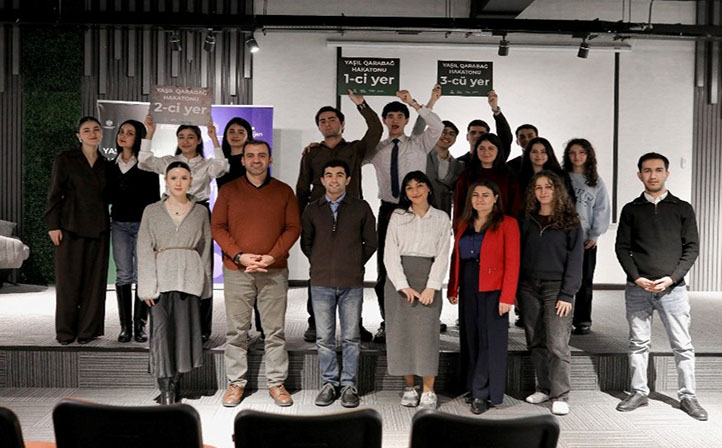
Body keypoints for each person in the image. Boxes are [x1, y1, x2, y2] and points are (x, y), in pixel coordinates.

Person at [615, 153, 707, 421]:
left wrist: (672, 278)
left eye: (658, 170)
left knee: (682, 344)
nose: (652, 175)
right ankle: (638, 392)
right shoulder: (631, 209)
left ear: (667, 173)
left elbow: (692, 248)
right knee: (638, 343)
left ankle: (688, 396)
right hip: (638, 289)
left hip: (673, 289)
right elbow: (622, 248)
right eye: (647, 170)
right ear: (639, 175)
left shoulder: (682, 208)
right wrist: (636, 277)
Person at [211, 139, 301, 408]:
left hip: (274, 271)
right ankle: (236, 383)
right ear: (243, 160)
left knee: (275, 331)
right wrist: (239, 255)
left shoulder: (284, 191)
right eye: (250, 155)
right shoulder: (229, 190)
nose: (256, 160)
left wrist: (272, 256)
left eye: (262, 155)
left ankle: (276, 383)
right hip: (237, 270)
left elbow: (293, 227)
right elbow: (217, 227)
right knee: (236, 331)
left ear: (270, 159)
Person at [297, 90, 382, 343]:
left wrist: (362, 105)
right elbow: (302, 188)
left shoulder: (356, 149)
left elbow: (376, 129)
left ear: (342, 124)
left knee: (353, 274)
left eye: (332, 119)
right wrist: (300, 220)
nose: (327, 124)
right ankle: (315, 323)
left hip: (351, 216)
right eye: (322, 121)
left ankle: (355, 324)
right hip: (319, 217)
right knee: (318, 271)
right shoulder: (312, 154)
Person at [364, 86, 444, 343]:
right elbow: (350, 158)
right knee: (385, 269)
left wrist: (415, 103)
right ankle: (388, 323)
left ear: (407, 120)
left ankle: (422, 318)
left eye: (400, 116)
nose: (395, 120)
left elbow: (438, 126)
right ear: (384, 121)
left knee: (420, 265)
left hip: (417, 209)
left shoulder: (419, 143)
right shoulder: (377, 149)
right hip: (389, 210)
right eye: (390, 117)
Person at [140, 115, 229, 343]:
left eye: (191, 137)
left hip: (198, 211)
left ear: (198, 140)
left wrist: (214, 138)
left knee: (203, 268)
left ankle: (203, 327)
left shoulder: (206, 163)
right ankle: (169, 323)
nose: (186, 140)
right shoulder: (170, 161)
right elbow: (144, 161)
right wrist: (149, 132)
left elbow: (222, 167)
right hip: (171, 212)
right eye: (181, 136)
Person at [301, 159, 377, 408]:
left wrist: (354, 263)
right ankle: (329, 382)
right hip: (321, 282)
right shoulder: (312, 209)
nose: (334, 179)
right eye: (329, 175)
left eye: (339, 175)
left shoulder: (361, 207)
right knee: (324, 337)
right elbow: (306, 243)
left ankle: (348, 385)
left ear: (348, 179)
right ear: (322, 180)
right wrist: (321, 262)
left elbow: (371, 242)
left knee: (351, 337)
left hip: (351, 283)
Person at [137, 161, 211, 405]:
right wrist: (147, 287)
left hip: (190, 277)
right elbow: (144, 248)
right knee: (161, 334)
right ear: (166, 181)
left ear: (191, 181)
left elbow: (205, 248)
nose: (179, 182)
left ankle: (175, 384)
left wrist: (205, 284)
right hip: (160, 278)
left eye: (184, 178)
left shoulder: (200, 211)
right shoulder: (151, 210)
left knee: (184, 334)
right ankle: (165, 388)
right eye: (173, 178)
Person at [447, 180, 520, 414]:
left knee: (490, 340)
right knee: (470, 336)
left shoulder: (508, 223)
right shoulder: (463, 223)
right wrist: (453, 287)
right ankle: (472, 385)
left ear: (496, 198)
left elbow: (513, 262)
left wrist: (507, 296)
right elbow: (456, 257)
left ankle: (483, 392)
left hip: (494, 287)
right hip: (469, 283)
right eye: (475, 195)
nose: (480, 199)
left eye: (486, 195)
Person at [383, 171, 451, 410]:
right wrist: (402, 285)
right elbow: (390, 251)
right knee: (401, 333)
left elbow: (443, 254)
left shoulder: (441, 217)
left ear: (429, 188)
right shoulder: (398, 216)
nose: (415, 191)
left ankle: (429, 390)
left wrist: (432, 286)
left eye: (419, 185)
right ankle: (409, 386)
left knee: (426, 335)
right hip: (399, 280)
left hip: (428, 278)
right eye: (409, 187)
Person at [518, 171, 583, 416]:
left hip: (557, 288)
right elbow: (518, 255)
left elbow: (576, 260)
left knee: (557, 344)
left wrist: (567, 294)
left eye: (548, 187)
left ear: (557, 190)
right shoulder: (528, 219)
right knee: (536, 341)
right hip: (528, 287)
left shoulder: (570, 221)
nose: (543, 191)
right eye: (538, 187)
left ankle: (561, 394)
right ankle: (544, 388)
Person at [45, 116, 110, 345]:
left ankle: (87, 331)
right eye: (86, 130)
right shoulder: (66, 159)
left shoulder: (105, 164)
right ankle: (65, 332)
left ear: (101, 133)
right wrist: (53, 225)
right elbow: (54, 193)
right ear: (79, 136)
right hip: (69, 227)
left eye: (96, 129)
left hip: (99, 229)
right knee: (68, 282)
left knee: (94, 283)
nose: (92, 133)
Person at [107, 119, 160, 343]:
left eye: (129, 133)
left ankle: (140, 326)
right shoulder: (110, 166)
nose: (123, 135)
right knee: (123, 275)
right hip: (119, 224)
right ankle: (125, 327)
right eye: (121, 131)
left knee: (141, 274)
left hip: (142, 226)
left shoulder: (147, 165)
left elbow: (154, 199)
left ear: (138, 137)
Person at [562, 138, 610, 335]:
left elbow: (601, 209)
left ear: (589, 155)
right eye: (572, 153)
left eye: (582, 152)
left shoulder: (595, 181)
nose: (577, 157)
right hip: (562, 238)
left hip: (585, 239)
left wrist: (595, 234)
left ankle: (582, 320)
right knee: (562, 280)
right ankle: (561, 319)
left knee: (585, 280)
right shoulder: (562, 177)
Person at [453, 133, 521, 227]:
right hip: (472, 228)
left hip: (501, 227)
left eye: (491, 148)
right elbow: (459, 206)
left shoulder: (508, 175)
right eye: (482, 148)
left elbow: (515, 206)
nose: (486, 152)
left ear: (498, 150)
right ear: (476, 150)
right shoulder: (466, 175)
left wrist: (510, 228)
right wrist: (458, 228)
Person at [456, 90, 513, 166]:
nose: (477, 135)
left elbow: (506, 138)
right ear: (467, 136)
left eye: (481, 133)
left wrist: (495, 110)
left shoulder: (497, 158)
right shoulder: (458, 163)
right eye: (473, 132)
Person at [516, 137, 575, 209]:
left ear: (549, 153)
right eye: (534, 152)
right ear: (528, 154)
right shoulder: (520, 177)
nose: (539, 155)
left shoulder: (560, 176)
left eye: (543, 152)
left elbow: (569, 200)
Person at [425, 120, 464, 217]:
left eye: (451, 134)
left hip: (443, 214)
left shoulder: (459, 165)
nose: (446, 136)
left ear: (455, 139)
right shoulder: (422, 156)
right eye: (443, 132)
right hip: (420, 212)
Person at [215, 117, 253, 189]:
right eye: (232, 132)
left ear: (248, 137)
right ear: (226, 136)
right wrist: (213, 137)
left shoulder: (252, 161)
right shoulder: (223, 160)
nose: (235, 135)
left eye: (240, 132)